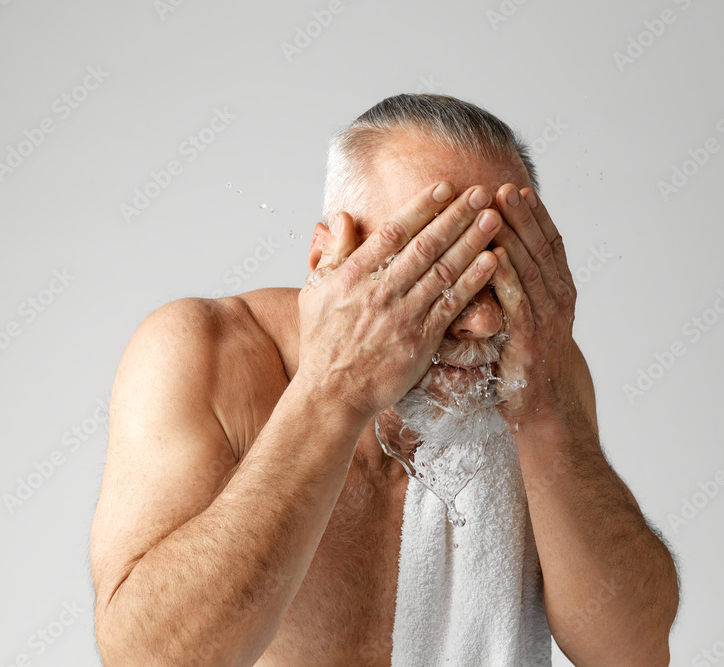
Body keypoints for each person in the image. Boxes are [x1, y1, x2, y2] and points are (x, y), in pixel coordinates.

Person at [90, 94, 679, 666]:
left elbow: (631, 654)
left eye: (500, 275)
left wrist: (546, 412)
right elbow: (150, 661)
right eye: (431, 270)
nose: (480, 322)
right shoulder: (206, 354)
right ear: (327, 260)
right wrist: (332, 391)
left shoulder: (533, 363)